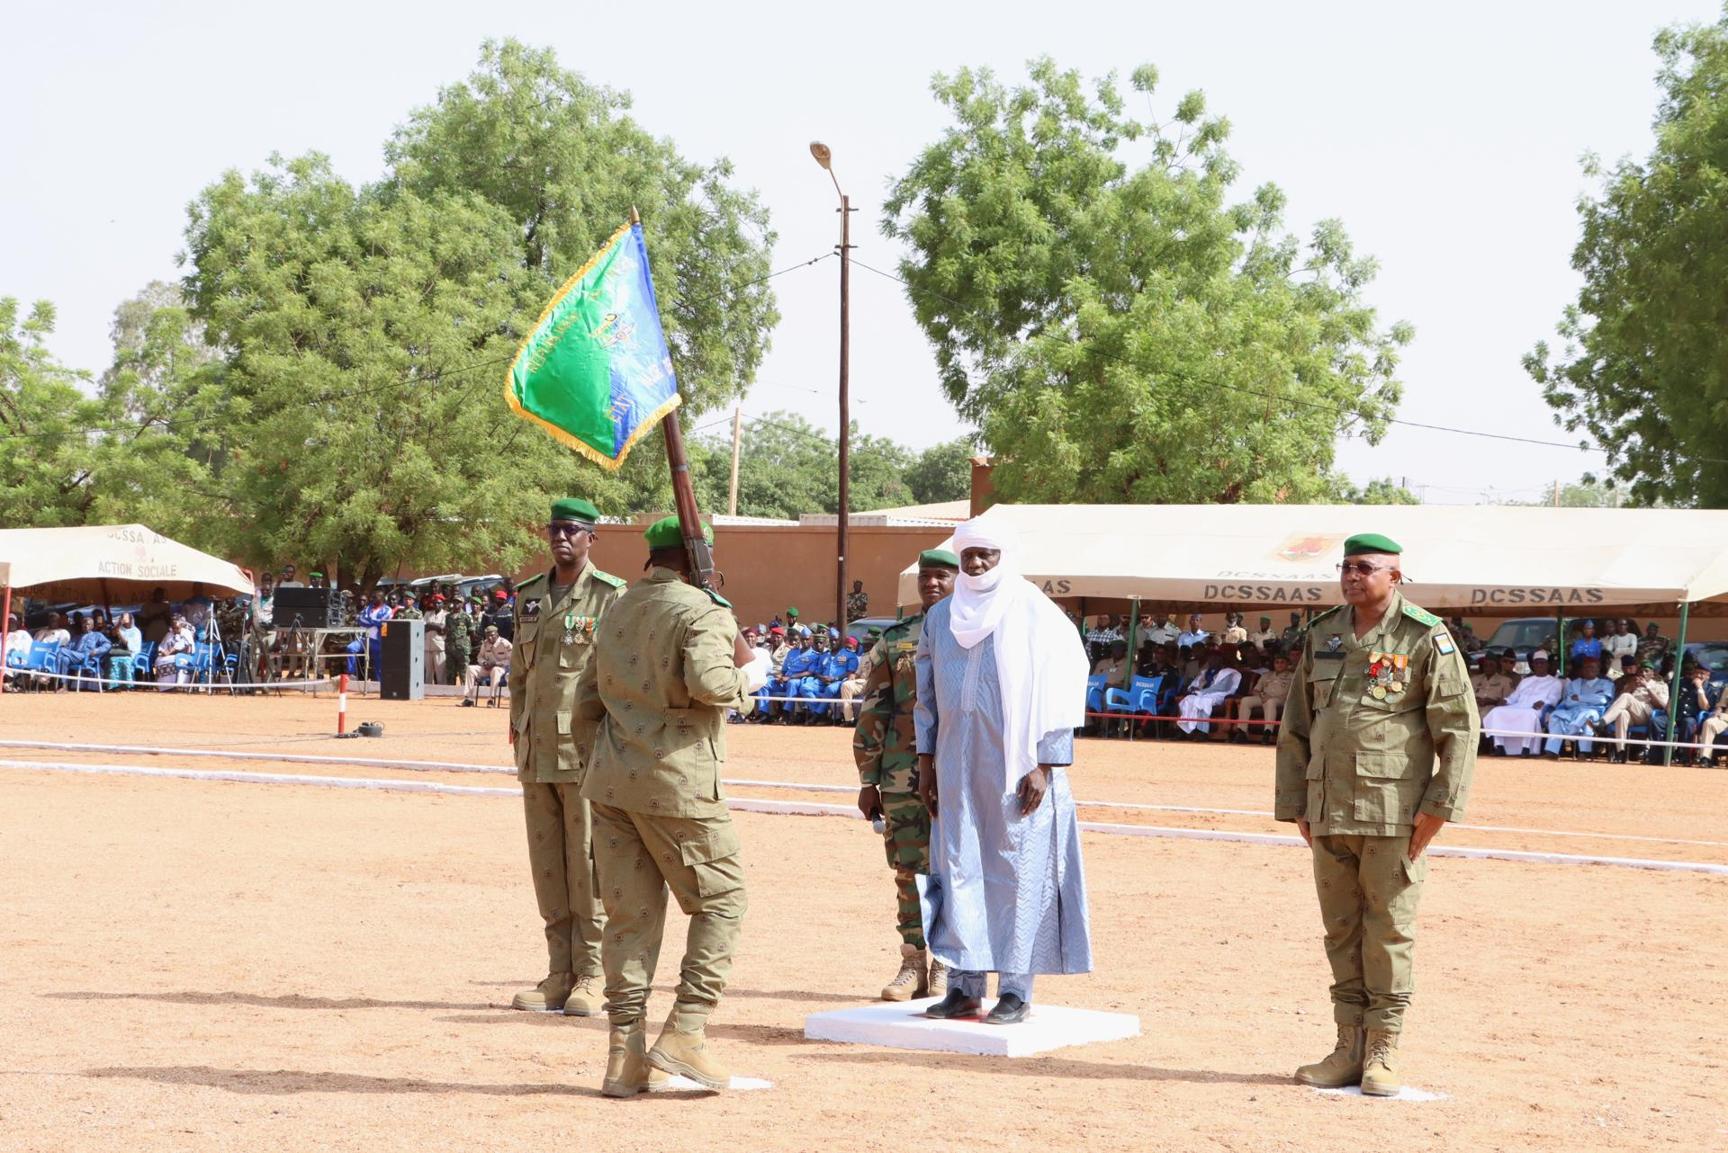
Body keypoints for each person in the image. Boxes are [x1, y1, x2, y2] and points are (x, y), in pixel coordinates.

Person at [1274, 533, 1477, 1097]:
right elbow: (1296, 725)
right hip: (1328, 807)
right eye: (1346, 567)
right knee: (1341, 930)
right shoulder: (1324, 633)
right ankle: (1347, 1047)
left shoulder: (1424, 636)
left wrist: (1439, 807)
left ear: (1396, 576)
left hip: (1394, 811)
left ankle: (1383, 1049)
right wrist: (1297, 803)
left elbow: (1459, 727)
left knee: (1388, 930)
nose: (1352, 576)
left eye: (1366, 568)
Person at [572, 515, 763, 1096]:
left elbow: (584, 704)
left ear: (651, 557)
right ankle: (686, 1031)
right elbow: (709, 681)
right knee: (723, 902)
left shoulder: (618, 607)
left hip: (611, 785)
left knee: (630, 921)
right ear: (699, 556)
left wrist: (602, 764)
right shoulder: (704, 611)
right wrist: (748, 687)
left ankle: (623, 1057)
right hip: (679, 783)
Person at [916, 518, 1091, 1026]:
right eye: (968, 554)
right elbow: (926, 698)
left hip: (1017, 769)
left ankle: (1015, 989)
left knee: (1017, 871)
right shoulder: (941, 617)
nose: (974, 563)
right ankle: (964, 986)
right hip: (954, 765)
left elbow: (1064, 682)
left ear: (1003, 556)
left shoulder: (1033, 609)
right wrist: (926, 762)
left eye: (985, 554)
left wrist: (1045, 762)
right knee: (958, 867)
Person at [506, 498, 626, 1016]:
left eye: (573, 531)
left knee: (586, 860)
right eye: (556, 529)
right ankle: (559, 971)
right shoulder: (530, 596)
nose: (562, 538)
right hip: (536, 749)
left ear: (590, 539)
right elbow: (518, 673)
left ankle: (592, 975)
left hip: (582, 751)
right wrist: (516, 726)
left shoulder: (610, 596)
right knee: (547, 863)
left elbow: (614, 679)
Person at [853, 549, 959, 1002]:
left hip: (960, 775)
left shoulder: (975, 633)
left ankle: (947, 966)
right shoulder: (897, 639)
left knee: (956, 870)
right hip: (901, 777)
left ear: (958, 580)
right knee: (909, 871)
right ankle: (913, 963)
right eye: (926, 578)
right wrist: (867, 779)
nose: (932, 584)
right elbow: (874, 708)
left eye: (942, 577)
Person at [1480, 651, 1564, 756]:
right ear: (1533, 665)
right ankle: (1499, 746)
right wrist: (1506, 700)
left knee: (1528, 715)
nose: (1539, 665)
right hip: (1518, 705)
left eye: (1542, 663)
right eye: (1537, 663)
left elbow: (1554, 699)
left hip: (1536, 708)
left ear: (1547, 664)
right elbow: (1514, 696)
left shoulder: (1555, 682)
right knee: (1497, 711)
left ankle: (1526, 748)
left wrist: (1543, 702)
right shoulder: (1526, 680)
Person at [1541, 656, 1617, 759]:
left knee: (1587, 716)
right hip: (1573, 711)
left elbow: (1602, 700)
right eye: (1586, 667)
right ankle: (1552, 751)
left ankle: (1584, 752)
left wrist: (1580, 698)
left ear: (1598, 669)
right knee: (1555, 715)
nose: (1589, 670)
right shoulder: (1574, 684)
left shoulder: (1606, 684)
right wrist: (1590, 699)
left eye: (1592, 667)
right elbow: (1568, 701)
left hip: (1594, 711)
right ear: (1582, 670)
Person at [1597, 660, 1670, 764]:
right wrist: (1629, 687)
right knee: (1622, 714)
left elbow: (1662, 705)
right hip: (1632, 714)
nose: (1643, 674)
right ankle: (1620, 751)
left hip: (1648, 713)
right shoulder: (1632, 683)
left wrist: (1647, 687)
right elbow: (1617, 702)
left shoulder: (1660, 685)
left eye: (1646, 671)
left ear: (1652, 673)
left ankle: (1602, 723)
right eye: (1641, 671)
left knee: (1627, 697)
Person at [1175, 648, 1243, 737]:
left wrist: (1201, 692)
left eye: (1215, 658)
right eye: (1210, 658)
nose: (1212, 660)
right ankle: (1184, 731)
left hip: (1220, 695)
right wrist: (1192, 689)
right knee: (1188, 700)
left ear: (1220, 659)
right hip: (1203, 694)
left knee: (1204, 701)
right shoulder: (1205, 672)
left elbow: (1222, 688)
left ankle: (1202, 732)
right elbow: (1196, 683)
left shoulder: (1228, 672)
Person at [1234, 650, 1293, 743]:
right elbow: (1256, 690)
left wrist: (1271, 697)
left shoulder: (1292, 676)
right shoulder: (1266, 675)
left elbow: (1293, 692)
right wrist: (1262, 695)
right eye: (1277, 662)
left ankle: (1267, 732)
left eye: (1282, 662)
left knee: (1271, 702)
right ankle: (1242, 731)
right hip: (1264, 698)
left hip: (1281, 700)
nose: (1279, 665)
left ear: (1287, 664)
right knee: (1245, 700)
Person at [58, 613, 112, 690]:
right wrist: (64, 648)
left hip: (87, 657)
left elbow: (108, 645)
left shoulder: (97, 635)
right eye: (84, 624)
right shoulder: (76, 637)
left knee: (60, 651)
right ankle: (64, 685)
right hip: (76, 658)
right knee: (64, 659)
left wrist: (97, 650)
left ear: (92, 626)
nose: (85, 626)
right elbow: (68, 648)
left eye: (88, 624)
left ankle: (51, 676)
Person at [346, 591, 392, 680]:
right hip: (365, 639)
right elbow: (361, 620)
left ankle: (379, 684)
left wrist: (369, 621)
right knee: (350, 648)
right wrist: (374, 622)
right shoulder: (368, 608)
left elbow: (383, 623)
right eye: (372, 597)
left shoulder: (387, 609)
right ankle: (352, 674)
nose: (372, 599)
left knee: (378, 664)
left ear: (382, 598)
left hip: (379, 641)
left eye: (375, 597)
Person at [463, 625, 512, 705]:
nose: (490, 638)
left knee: (495, 670)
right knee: (470, 669)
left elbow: (511, 659)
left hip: (501, 669)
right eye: (487, 635)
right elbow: (480, 657)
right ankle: (468, 698)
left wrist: (496, 663)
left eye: (492, 635)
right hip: (487, 668)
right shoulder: (485, 643)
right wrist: (484, 663)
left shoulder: (505, 644)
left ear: (497, 634)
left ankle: (491, 699)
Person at [155, 616, 196, 688]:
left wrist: (169, 651)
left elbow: (182, 644)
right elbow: (162, 645)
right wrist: (162, 651)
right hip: (172, 655)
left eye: (177, 628)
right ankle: (165, 686)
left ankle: (179, 686)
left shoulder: (186, 633)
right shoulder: (169, 634)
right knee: (159, 660)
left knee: (177, 660)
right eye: (174, 628)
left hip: (187, 656)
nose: (175, 630)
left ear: (181, 626)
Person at [108, 611, 143, 688]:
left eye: (126, 619)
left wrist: (119, 633)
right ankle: (115, 685)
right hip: (121, 652)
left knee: (126, 661)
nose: (125, 621)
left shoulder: (135, 631)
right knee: (113, 660)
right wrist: (119, 624)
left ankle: (128, 685)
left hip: (132, 653)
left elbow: (127, 644)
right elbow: (113, 633)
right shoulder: (121, 628)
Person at [446, 599, 475, 687]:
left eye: (458, 602)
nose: (456, 604)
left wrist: (467, 644)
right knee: (450, 671)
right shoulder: (448, 616)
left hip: (462, 648)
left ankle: (466, 692)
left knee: (464, 671)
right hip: (451, 647)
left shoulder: (466, 616)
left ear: (462, 604)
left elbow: (472, 632)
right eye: (454, 602)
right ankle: (450, 692)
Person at [421, 595, 448, 686]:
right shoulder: (428, 613)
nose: (437, 604)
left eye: (439, 603)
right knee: (428, 673)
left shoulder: (446, 615)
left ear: (443, 604)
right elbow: (423, 627)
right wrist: (436, 626)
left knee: (441, 673)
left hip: (439, 647)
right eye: (435, 602)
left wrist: (431, 625)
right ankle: (427, 692)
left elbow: (442, 629)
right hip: (427, 646)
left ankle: (442, 693)